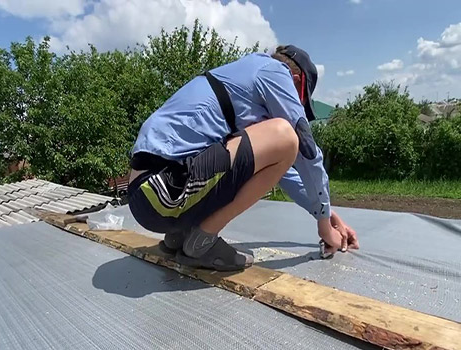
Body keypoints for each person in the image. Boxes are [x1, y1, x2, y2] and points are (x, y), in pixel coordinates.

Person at [127, 45, 359, 271]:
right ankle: (202, 241)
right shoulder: (275, 72)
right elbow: (305, 151)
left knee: (282, 143)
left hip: (149, 197)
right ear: (296, 82)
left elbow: (284, 171)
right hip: (163, 190)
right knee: (286, 135)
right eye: (300, 103)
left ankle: (180, 235)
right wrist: (324, 229)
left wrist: (329, 215)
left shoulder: (242, 77)